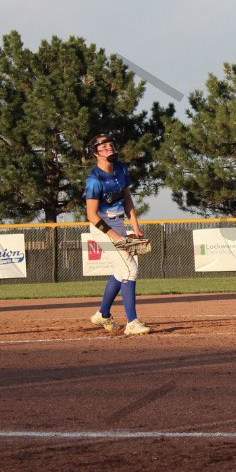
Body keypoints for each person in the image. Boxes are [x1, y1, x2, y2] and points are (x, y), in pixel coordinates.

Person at [85, 134, 151, 336]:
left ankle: (103, 314)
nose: (109, 147)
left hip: (119, 222)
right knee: (130, 269)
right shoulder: (94, 180)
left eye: (110, 144)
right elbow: (91, 215)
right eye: (103, 146)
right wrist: (114, 236)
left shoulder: (121, 168)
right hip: (101, 228)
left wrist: (135, 226)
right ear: (96, 153)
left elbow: (127, 197)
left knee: (120, 270)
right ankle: (132, 323)